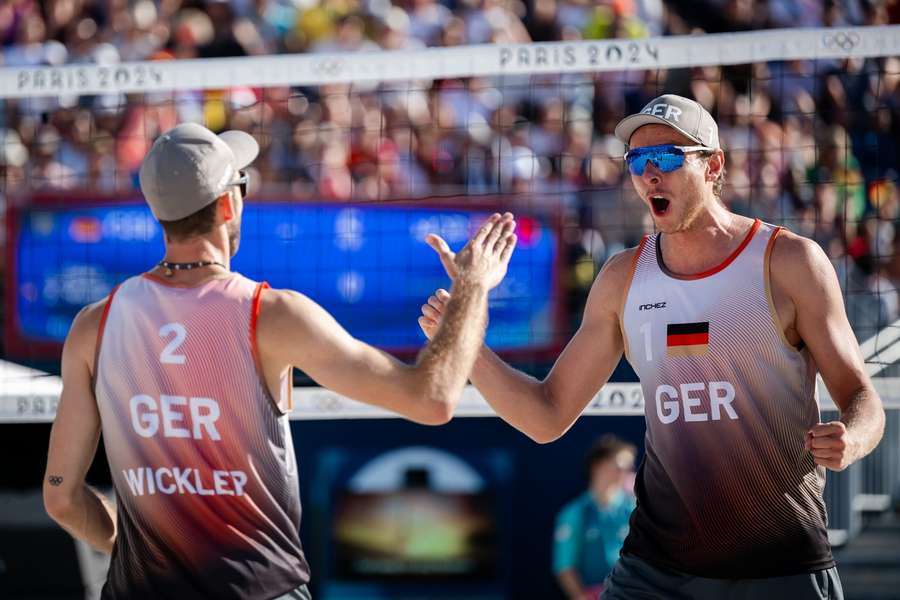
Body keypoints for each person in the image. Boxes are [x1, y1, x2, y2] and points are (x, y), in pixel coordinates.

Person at [418, 94, 886, 598]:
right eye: (637, 162)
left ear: (713, 166)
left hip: (780, 561)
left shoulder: (789, 261)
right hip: (658, 569)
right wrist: (467, 344)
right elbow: (546, 416)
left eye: (664, 157)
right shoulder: (622, 277)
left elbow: (862, 397)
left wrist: (852, 438)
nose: (649, 175)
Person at [42, 122, 517, 599]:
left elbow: (62, 497)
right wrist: (471, 288)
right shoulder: (271, 316)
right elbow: (431, 399)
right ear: (229, 204)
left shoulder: (93, 327)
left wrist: (152, 550)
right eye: (242, 184)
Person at [553, 435, 636, 600]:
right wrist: (581, 596)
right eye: (620, 467)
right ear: (598, 466)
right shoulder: (575, 513)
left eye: (629, 468)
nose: (626, 473)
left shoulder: (636, 509)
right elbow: (564, 566)